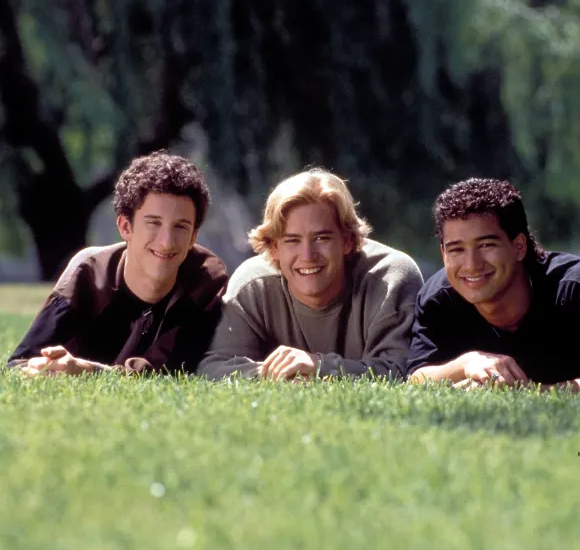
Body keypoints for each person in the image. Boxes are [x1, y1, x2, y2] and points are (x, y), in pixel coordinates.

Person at [8, 151, 227, 375]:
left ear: (193, 236)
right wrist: (42, 367)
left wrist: (87, 370)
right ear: (125, 227)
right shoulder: (89, 274)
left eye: (180, 227)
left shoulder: (205, 280)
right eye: (153, 223)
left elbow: (171, 370)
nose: (166, 242)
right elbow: (20, 363)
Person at [198, 169, 423, 381]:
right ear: (274, 248)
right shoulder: (253, 284)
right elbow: (215, 367)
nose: (307, 255)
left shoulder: (390, 277)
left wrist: (319, 367)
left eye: (321, 238)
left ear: (347, 241)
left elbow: (401, 371)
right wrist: (282, 374)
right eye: (292, 240)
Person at [406, 177, 580, 388]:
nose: (471, 265)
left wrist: (536, 391)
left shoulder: (572, 288)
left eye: (486, 245)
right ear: (443, 253)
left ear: (519, 247)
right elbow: (416, 378)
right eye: (456, 249)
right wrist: (466, 364)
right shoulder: (439, 298)